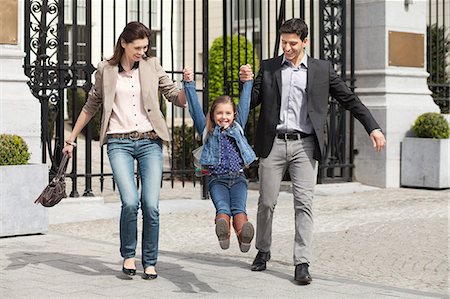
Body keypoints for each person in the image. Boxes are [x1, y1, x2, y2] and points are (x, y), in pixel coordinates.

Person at [240, 18, 386, 284]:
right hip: (273, 142)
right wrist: (247, 84)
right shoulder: (270, 68)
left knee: (304, 204)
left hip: (305, 144)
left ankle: (302, 262)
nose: (287, 48)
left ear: (305, 42)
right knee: (266, 202)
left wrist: (372, 127)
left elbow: (349, 99)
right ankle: (263, 250)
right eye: (284, 42)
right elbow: (250, 104)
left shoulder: (322, 69)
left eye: (293, 43)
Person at [62, 21, 187, 280]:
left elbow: (173, 95)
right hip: (118, 142)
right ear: (124, 44)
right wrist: (71, 138)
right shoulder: (106, 70)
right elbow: (91, 105)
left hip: (150, 141)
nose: (142, 51)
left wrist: (188, 92)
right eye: (138, 47)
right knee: (130, 202)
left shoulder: (153, 66)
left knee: (150, 205)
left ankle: (150, 261)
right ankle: (129, 255)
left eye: (145, 47)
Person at [182, 65, 256, 253]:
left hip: (238, 178)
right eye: (219, 113)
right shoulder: (208, 131)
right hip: (217, 181)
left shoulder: (238, 127)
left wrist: (247, 83)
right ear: (213, 115)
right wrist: (189, 84)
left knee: (239, 208)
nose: (224, 117)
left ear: (234, 115)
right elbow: (195, 109)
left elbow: (245, 104)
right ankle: (223, 231)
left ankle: (243, 234)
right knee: (223, 208)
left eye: (228, 113)